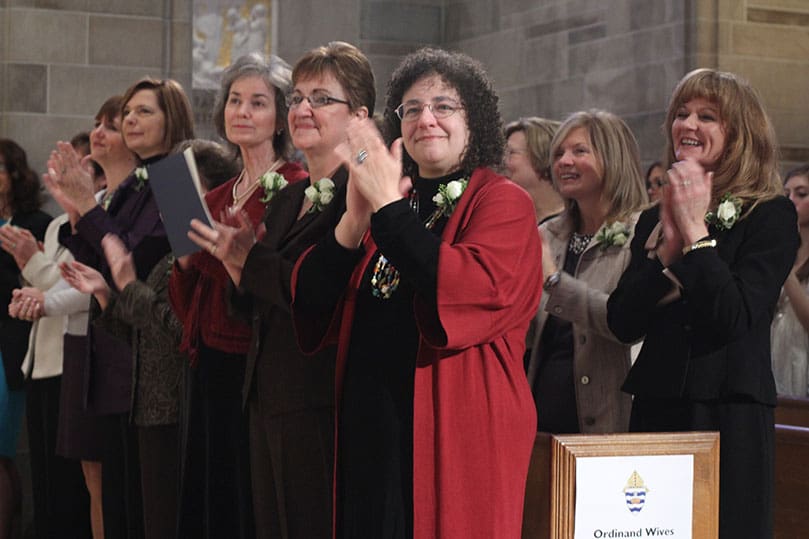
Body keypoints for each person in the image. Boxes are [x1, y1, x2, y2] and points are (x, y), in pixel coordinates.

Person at [291, 47, 541, 538]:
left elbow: (468, 289)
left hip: (456, 428)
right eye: (411, 108)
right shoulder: (390, 198)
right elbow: (310, 302)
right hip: (373, 425)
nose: (426, 119)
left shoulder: (503, 202)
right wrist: (352, 221)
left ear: (476, 120)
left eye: (444, 106)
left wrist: (385, 205)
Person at [184, 41, 372, 539]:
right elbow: (250, 304)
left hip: (318, 396)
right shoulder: (291, 197)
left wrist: (250, 261)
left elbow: (314, 290)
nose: (303, 109)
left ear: (359, 115)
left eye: (320, 99)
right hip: (265, 393)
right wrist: (235, 265)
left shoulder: (362, 187)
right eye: (299, 98)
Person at [607, 68, 798, 539]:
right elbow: (622, 321)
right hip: (658, 405)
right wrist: (662, 261)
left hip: (728, 413)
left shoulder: (770, 214)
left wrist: (695, 236)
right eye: (681, 114)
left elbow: (735, 315)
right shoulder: (655, 214)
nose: (687, 124)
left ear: (740, 135)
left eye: (707, 116)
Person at [58, 138, 237, 539]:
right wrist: (108, 292)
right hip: (148, 405)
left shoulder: (205, 258)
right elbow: (144, 329)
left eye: (181, 191)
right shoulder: (173, 255)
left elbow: (181, 330)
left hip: (177, 409)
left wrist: (127, 285)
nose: (169, 204)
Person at [48, 78, 194, 539]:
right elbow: (107, 264)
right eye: (127, 111)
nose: (130, 119)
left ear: (172, 119)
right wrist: (79, 212)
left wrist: (88, 208)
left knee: (157, 510)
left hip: (164, 364)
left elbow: (136, 257)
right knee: (124, 503)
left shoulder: (175, 178)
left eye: (144, 112)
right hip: (129, 358)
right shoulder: (136, 184)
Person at [168, 53, 307, 539]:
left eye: (257, 102)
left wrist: (225, 256)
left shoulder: (294, 186)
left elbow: (270, 281)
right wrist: (186, 264)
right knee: (206, 491)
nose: (241, 111)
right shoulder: (215, 194)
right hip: (206, 357)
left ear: (282, 116)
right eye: (234, 100)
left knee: (242, 496)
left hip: (252, 364)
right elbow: (188, 296)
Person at [0, 133, 101, 539]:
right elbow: (54, 284)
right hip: (42, 358)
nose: (64, 175)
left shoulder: (101, 215)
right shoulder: (60, 222)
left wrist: (33, 272)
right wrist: (36, 278)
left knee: (81, 488)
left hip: (77, 357)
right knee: (49, 483)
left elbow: (85, 287)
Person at [525, 110, 647, 434]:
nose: (564, 161)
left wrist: (554, 281)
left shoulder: (641, 233)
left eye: (579, 151)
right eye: (559, 153)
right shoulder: (547, 233)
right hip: (541, 414)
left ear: (613, 158)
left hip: (608, 415)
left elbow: (625, 323)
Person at [0, 139, 52, 539]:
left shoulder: (34, 223)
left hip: (9, 348)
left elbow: (37, 284)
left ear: (15, 175)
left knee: (1, 452)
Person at [772, 163, 809, 397]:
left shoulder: (784, 256)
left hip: (803, 358)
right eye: (786, 194)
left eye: (801, 194)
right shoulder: (785, 248)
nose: (791, 200)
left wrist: (783, 268)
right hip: (776, 352)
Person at [504, 116, 565, 224]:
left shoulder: (579, 231)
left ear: (542, 156)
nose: (502, 162)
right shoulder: (507, 225)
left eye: (511, 153)